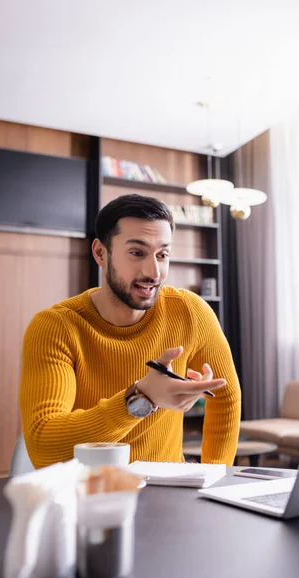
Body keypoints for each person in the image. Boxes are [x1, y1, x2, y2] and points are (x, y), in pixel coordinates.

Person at [20, 194, 241, 469]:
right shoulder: (55, 327)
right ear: (101, 253)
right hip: (90, 495)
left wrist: (212, 477)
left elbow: (226, 397)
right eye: (137, 253)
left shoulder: (189, 311)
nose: (154, 272)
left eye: (162, 255)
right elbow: (44, 444)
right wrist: (140, 398)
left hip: (170, 494)